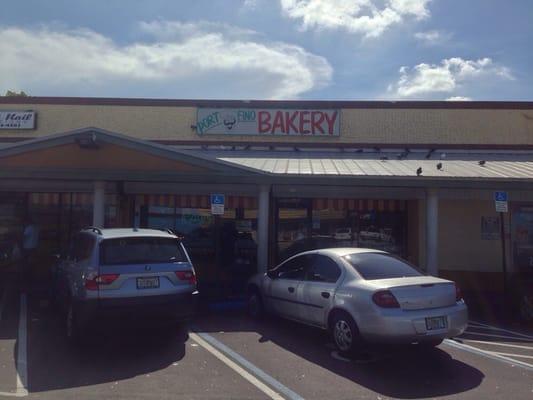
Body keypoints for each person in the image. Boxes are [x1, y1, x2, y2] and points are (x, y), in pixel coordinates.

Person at [20, 217, 39, 287]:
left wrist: (22, 231)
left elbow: (23, 237)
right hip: (34, 248)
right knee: (32, 263)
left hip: (28, 248)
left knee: (26, 264)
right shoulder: (36, 227)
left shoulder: (29, 228)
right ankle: (31, 278)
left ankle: (26, 279)